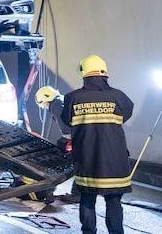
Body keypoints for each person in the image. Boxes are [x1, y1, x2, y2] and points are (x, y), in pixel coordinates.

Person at [35, 55, 133, 234]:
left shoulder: (73, 98)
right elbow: (126, 113)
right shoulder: (119, 97)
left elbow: (67, 123)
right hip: (115, 161)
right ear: (105, 73)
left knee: (87, 200)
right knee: (114, 202)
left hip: (87, 160)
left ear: (83, 74)